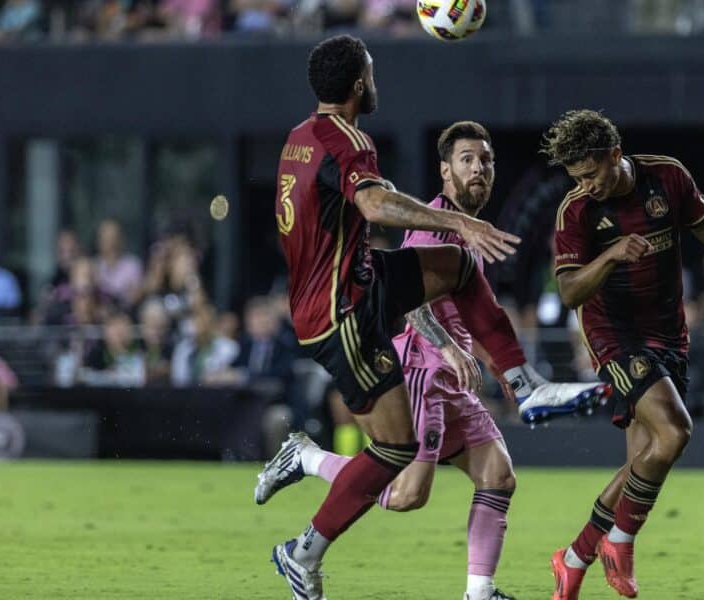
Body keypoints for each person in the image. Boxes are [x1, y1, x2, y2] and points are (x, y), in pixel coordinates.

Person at [256, 36, 599, 600]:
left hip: (354, 284)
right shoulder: (348, 139)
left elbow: (336, 209)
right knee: (396, 457)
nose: (376, 78)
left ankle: (525, 385)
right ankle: (303, 549)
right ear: (357, 84)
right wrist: (454, 223)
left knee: (460, 269)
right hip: (344, 311)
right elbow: (370, 204)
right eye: (372, 71)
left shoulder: (299, 138)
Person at [542, 110, 704, 599]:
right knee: (676, 430)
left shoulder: (668, 176)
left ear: (615, 155)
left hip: (669, 333)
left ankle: (573, 558)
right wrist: (611, 254)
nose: (586, 186)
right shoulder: (575, 211)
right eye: (576, 178)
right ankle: (619, 543)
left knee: (647, 457)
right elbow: (570, 292)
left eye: (591, 173)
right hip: (613, 335)